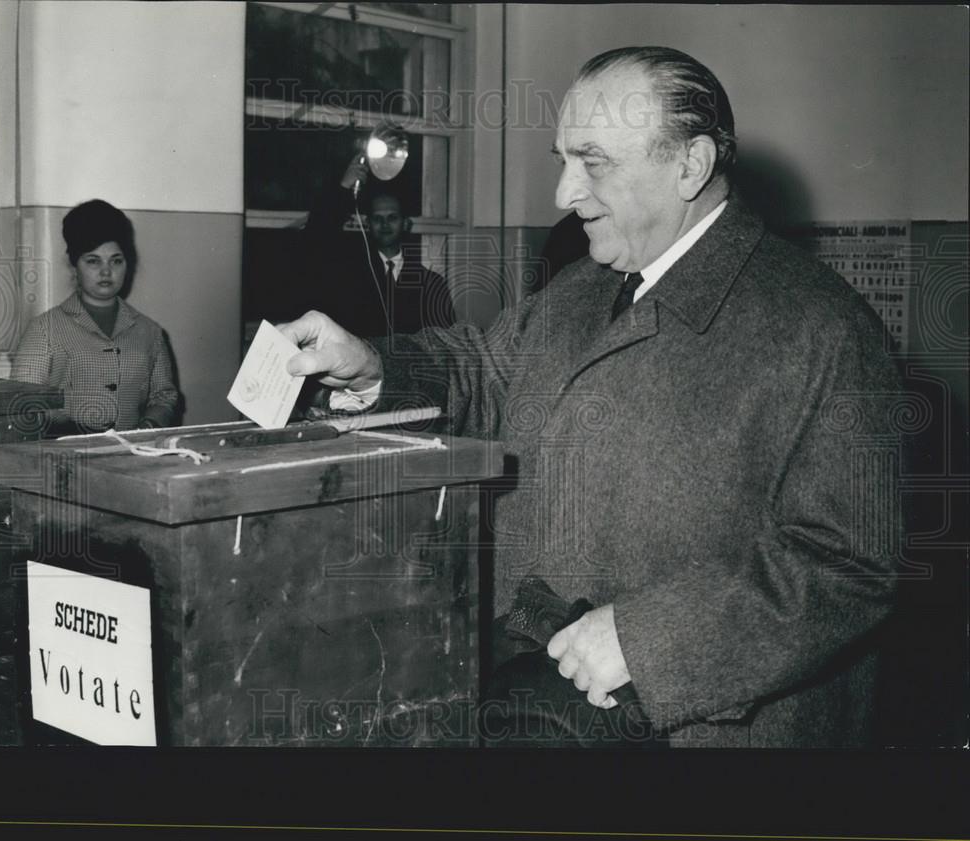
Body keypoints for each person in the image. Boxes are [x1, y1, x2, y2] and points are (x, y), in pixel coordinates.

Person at [277, 47, 904, 748]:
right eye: (561, 159)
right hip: (530, 700)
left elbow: (851, 565)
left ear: (689, 165)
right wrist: (368, 367)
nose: (564, 193)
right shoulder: (579, 288)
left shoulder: (826, 328)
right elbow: (480, 370)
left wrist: (647, 640)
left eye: (593, 161)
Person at [12, 199, 179, 434]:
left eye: (116, 261)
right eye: (93, 261)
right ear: (74, 265)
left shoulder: (149, 331)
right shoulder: (44, 329)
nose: (106, 271)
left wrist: (148, 426)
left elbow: (164, 396)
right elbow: (22, 404)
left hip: (132, 457)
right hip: (66, 459)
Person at [296, 154, 455, 338]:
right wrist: (343, 188)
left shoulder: (431, 284)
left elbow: (447, 345)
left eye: (392, 218)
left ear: (405, 224)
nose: (385, 225)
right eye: (377, 219)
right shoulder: (349, 274)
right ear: (368, 224)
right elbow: (316, 238)